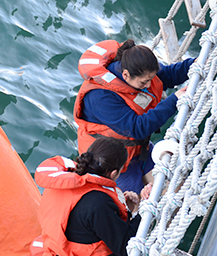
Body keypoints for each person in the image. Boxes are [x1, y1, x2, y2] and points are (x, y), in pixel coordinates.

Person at [74, 39, 195, 196]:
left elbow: (166, 76)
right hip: (114, 163)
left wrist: (194, 64)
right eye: (145, 82)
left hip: (138, 151)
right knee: (141, 208)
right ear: (125, 75)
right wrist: (174, 100)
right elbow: (137, 128)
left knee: (177, 187)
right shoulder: (100, 98)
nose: (149, 85)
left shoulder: (139, 70)